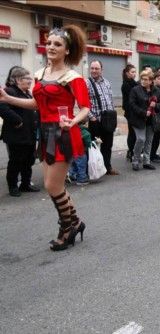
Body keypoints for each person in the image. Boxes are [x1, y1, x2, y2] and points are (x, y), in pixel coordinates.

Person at [0, 25, 89, 251]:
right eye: (49, 43)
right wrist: (8, 99)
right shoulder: (39, 74)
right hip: (45, 131)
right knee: (55, 186)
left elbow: (85, 108)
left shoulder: (73, 77)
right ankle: (76, 223)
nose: (51, 47)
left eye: (57, 44)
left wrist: (72, 121)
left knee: (51, 185)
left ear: (67, 50)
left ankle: (66, 228)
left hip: (64, 132)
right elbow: (36, 105)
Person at [0, 66, 40, 196]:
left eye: (30, 78)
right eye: (26, 78)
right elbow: (2, 108)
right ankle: (13, 186)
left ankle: (25, 184)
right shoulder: (9, 91)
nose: (30, 81)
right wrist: (18, 120)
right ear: (17, 80)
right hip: (16, 135)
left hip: (29, 134)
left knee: (28, 160)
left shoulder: (27, 93)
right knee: (16, 161)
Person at [86, 60, 119, 175]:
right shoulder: (87, 83)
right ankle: (93, 170)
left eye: (96, 68)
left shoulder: (107, 82)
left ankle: (107, 167)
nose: (94, 71)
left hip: (108, 120)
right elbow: (83, 103)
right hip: (95, 121)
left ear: (101, 70)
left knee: (107, 145)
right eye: (92, 68)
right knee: (93, 146)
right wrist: (92, 117)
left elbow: (110, 99)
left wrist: (113, 114)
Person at [128, 69, 160, 171]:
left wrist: (155, 105)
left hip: (151, 120)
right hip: (138, 120)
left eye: (146, 79)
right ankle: (135, 160)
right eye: (142, 79)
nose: (143, 81)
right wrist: (143, 112)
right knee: (141, 139)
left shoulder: (156, 90)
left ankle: (146, 162)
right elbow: (132, 104)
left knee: (149, 141)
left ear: (151, 81)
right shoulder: (135, 90)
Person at [121, 64, 138, 162]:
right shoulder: (126, 84)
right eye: (132, 72)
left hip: (134, 111)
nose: (134, 74)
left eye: (135, 72)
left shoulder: (133, 82)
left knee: (134, 133)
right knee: (132, 133)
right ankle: (130, 151)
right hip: (130, 112)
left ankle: (133, 151)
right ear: (127, 73)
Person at [150, 72, 160, 163]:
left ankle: (153, 154)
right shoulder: (151, 90)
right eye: (158, 78)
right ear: (154, 80)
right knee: (150, 137)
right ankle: (150, 155)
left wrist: (156, 105)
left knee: (157, 137)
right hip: (150, 117)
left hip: (157, 117)